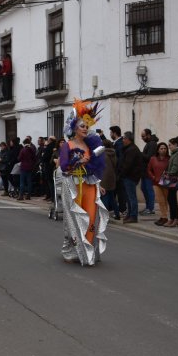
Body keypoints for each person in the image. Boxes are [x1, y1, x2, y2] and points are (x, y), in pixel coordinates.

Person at [59, 100, 108, 266]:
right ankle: (72, 251)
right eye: (82, 126)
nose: (86, 128)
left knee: (91, 218)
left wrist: (99, 184)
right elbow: (64, 166)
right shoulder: (67, 145)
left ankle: (88, 252)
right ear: (74, 128)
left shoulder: (91, 145)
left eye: (87, 126)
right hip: (73, 185)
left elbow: (94, 169)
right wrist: (78, 161)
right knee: (74, 219)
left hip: (89, 185)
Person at [119, 132, 145, 224]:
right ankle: (130, 214)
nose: (123, 140)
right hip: (129, 176)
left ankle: (133, 215)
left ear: (128, 139)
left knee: (131, 197)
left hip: (130, 176)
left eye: (124, 138)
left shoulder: (132, 150)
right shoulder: (129, 149)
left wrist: (121, 173)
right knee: (129, 197)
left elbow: (128, 165)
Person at [163, 137, 178, 227]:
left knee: (172, 200)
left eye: (170, 145)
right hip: (171, 178)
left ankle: (175, 219)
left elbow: (176, 167)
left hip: (174, 179)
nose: (169, 147)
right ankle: (173, 218)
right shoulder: (175, 153)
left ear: (176, 145)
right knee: (170, 199)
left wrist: (168, 174)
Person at [147, 142, 170, 226]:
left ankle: (164, 216)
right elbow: (149, 169)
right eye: (161, 148)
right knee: (160, 200)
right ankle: (163, 217)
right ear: (158, 150)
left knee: (165, 200)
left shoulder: (169, 159)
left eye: (165, 148)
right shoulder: (153, 159)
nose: (163, 150)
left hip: (166, 183)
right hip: (156, 182)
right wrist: (153, 177)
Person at [110, 125, 127, 218]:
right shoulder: (117, 143)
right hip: (116, 172)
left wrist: (117, 171)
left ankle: (122, 210)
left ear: (114, 133)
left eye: (111, 133)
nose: (110, 134)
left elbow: (120, 159)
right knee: (117, 191)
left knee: (121, 192)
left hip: (119, 172)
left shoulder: (119, 144)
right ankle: (117, 209)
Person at [140, 129, 158, 215]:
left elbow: (149, 157)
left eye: (143, 136)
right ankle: (148, 207)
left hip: (148, 171)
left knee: (148, 189)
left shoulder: (152, 144)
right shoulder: (149, 143)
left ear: (148, 135)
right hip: (144, 171)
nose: (142, 138)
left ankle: (151, 208)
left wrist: (140, 153)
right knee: (144, 188)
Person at [99, 138, 117, 219]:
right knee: (112, 197)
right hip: (112, 177)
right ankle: (117, 213)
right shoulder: (113, 153)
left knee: (104, 197)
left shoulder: (102, 154)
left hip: (104, 177)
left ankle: (104, 216)